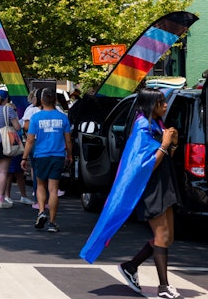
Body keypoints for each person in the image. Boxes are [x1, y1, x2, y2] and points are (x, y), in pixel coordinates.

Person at [81, 88, 183, 299]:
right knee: (162, 237)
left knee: (168, 237)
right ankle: (163, 287)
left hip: (164, 185)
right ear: (150, 105)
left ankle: (130, 266)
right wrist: (164, 145)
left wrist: (173, 143)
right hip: (149, 188)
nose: (165, 105)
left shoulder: (157, 124)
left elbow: (165, 156)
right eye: (161, 102)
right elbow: (143, 166)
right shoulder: (142, 127)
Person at [21, 88, 72, 233]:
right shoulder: (63, 118)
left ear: (41, 101)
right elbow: (68, 140)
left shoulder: (36, 118)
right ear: (55, 100)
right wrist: (69, 155)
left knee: (40, 185)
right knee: (53, 189)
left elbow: (30, 140)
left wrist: (24, 157)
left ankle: (41, 211)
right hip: (57, 156)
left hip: (41, 155)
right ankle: (52, 222)